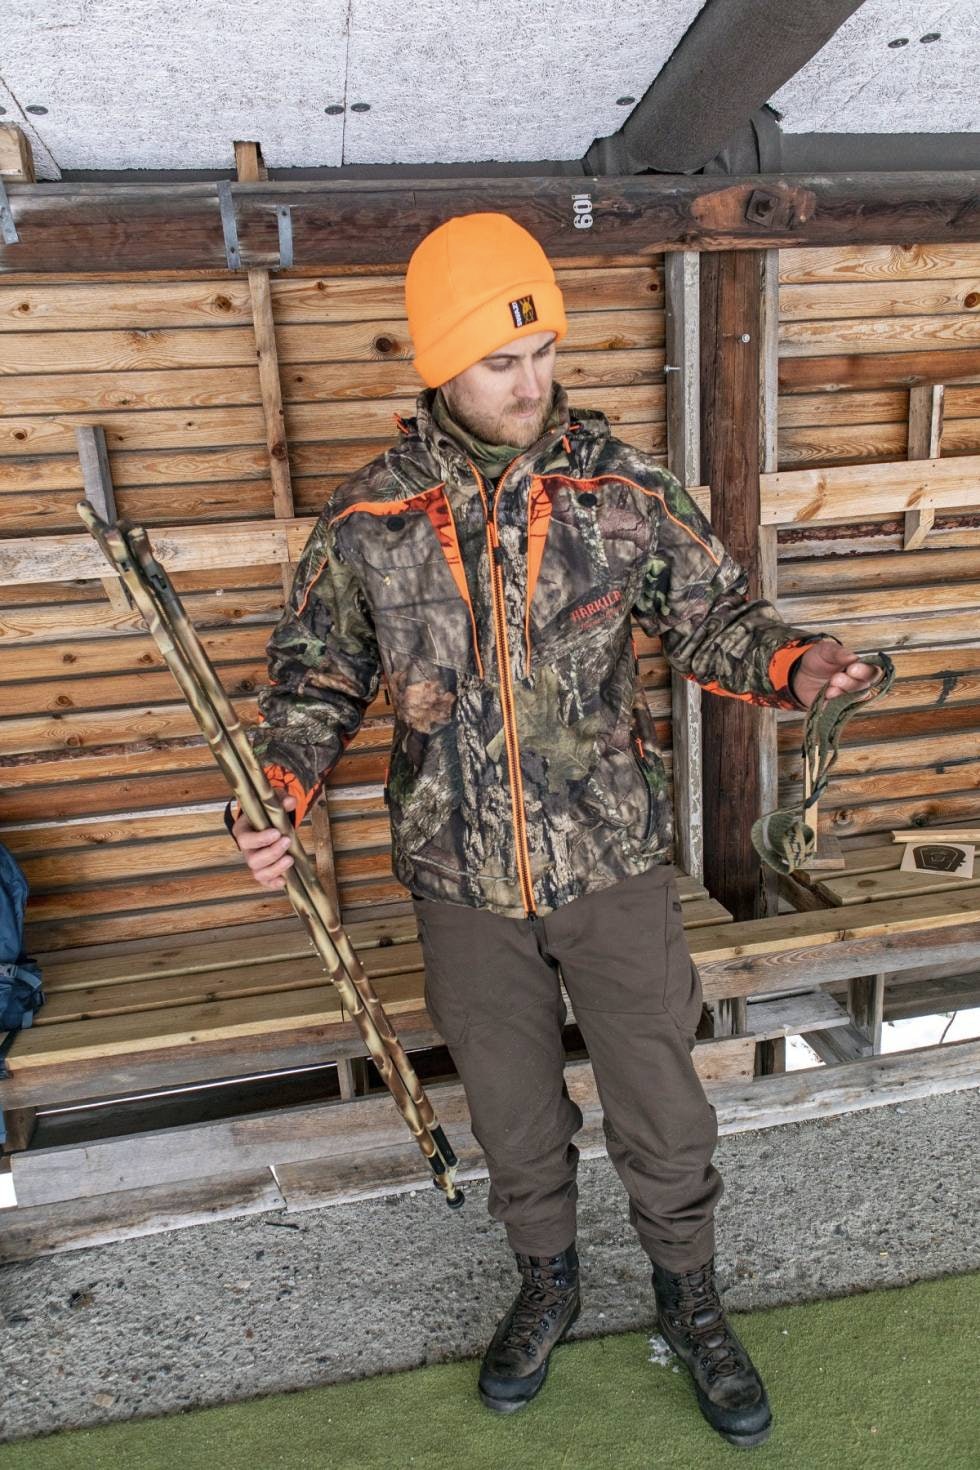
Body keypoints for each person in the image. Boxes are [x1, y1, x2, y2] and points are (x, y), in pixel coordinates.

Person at [229, 213, 882, 1449]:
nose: (528, 383)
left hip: (612, 864)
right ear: (439, 366)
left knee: (662, 1102)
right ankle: (547, 1281)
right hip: (458, 878)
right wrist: (278, 790)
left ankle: (688, 1297)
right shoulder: (368, 522)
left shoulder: (619, 487)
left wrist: (794, 665)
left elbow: (714, 620)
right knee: (513, 1112)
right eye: (497, 361)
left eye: (539, 353)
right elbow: (316, 678)